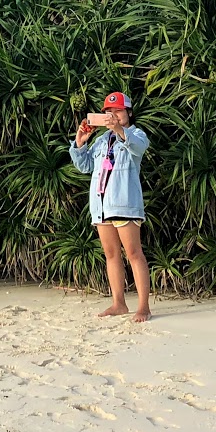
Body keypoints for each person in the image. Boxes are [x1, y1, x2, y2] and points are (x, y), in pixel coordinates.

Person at [70, 91, 152, 322]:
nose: (112, 115)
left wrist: (118, 130)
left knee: (134, 253)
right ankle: (119, 303)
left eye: (117, 111)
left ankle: (143, 307)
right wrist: (80, 143)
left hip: (125, 204)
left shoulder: (136, 134)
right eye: (108, 112)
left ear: (128, 112)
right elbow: (85, 167)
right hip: (101, 205)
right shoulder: (100, 141)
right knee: (111, 254)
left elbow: (138, 148)